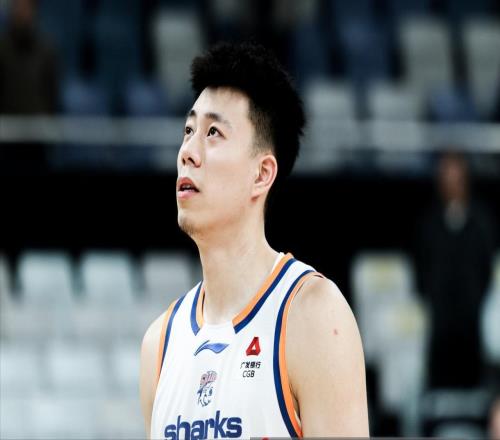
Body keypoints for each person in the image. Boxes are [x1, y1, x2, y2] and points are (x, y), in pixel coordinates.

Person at [139, 42, 369, 439]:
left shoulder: (313, 316)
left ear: (262, 174)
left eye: (213, 132)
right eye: (188, 130)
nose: (188, 152)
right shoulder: (158, 344)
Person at [415, 151, 496, 389]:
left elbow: (486, 267)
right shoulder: (429, 223)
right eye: (445, 178)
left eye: (456, 178)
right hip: (440, 321)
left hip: (470, 320)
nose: (451, 185)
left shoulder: (481, 222)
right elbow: (421, 265)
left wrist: (474, 297)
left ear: (465, 180)